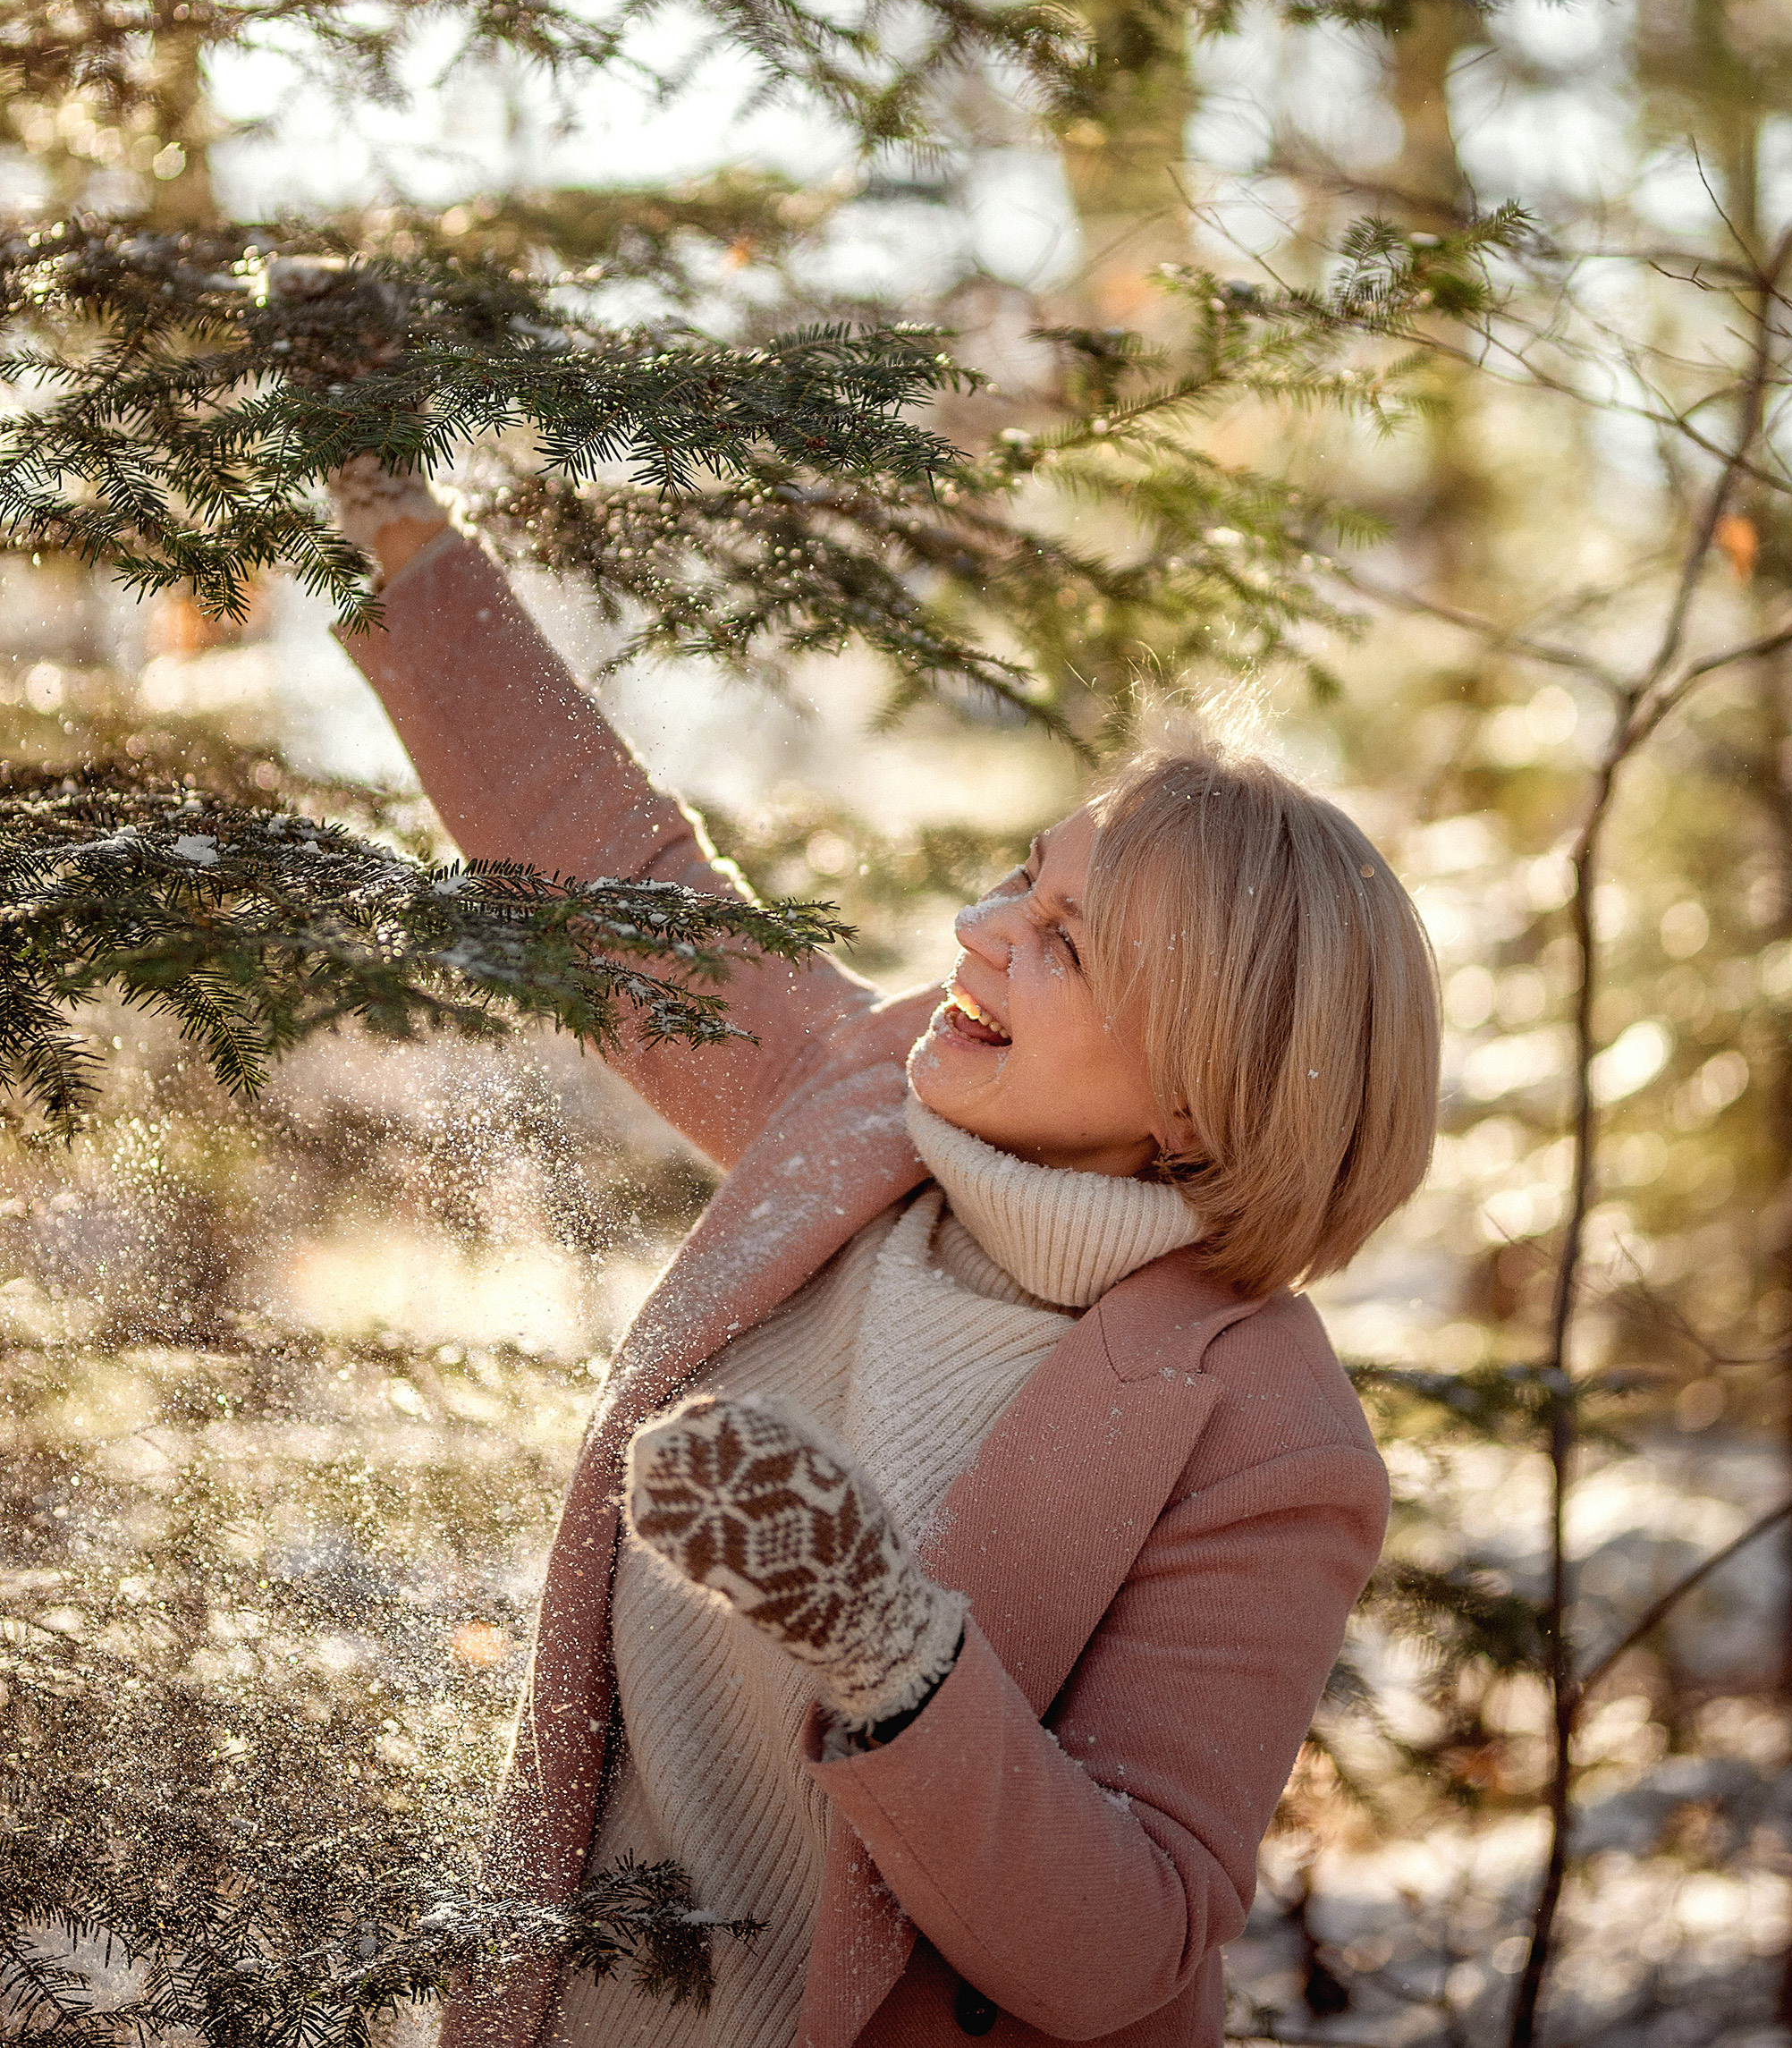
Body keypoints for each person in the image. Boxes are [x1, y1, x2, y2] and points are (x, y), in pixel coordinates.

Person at [330, 466, 1441, 2048]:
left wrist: (887, 1644)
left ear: (1206, 1091)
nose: (984, 933)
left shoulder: (1264, 1441)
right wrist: (411, 543)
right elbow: (616, 875)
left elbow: (1123, 1944)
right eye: (1024, 879)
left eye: (1067, 942)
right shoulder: (861, 1104)